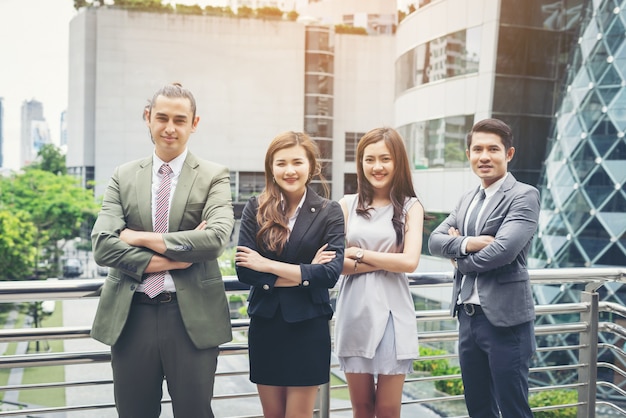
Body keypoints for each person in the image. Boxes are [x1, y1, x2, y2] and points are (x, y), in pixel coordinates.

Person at [90, 82, 235, 418]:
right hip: (131, 315)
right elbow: (102, 245)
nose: (170, 128)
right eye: (162, 118)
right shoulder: (123, 176)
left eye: (180, 120)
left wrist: (137, 237)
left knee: (194, 413)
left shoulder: (214, 176)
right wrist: (175, 259)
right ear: (148, 118)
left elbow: (215, 240)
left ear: (194, 124)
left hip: (191, 320)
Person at [428, 118, 540, 418]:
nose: (484, 156)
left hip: (507, 323)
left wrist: (459, 259)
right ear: (468, 155)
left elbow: (503, 251)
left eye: (493, 149)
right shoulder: (467, 199)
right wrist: (470, 244)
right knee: (478, 407)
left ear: (509, 154)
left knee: (513, 408)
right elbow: (435, 241)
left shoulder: (524, 195)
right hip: (468, 317)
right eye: (477, 149)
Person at [235, 131, 344, 418]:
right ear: (271, 167)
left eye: (297, 162)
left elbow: (330, 274)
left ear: (311, 166)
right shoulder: (255, 208)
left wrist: (267, 265)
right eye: (281, 163)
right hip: (266, 323)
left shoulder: (328, 211)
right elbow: (245, 271)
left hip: (308, 325)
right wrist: (306, 271)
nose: (290, 170)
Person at [334, 127, 425, 418]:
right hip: (355, 311)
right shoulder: (347, 205)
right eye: (369, 159)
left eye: (385, 158)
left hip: (393, 312)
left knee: (387, 410)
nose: (377, 166)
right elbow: (336, 264)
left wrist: (359, 253)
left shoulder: (411, 207)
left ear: (397, 162)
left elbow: (410, 262)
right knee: (361, 408)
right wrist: (389, 259)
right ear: (360, 163)